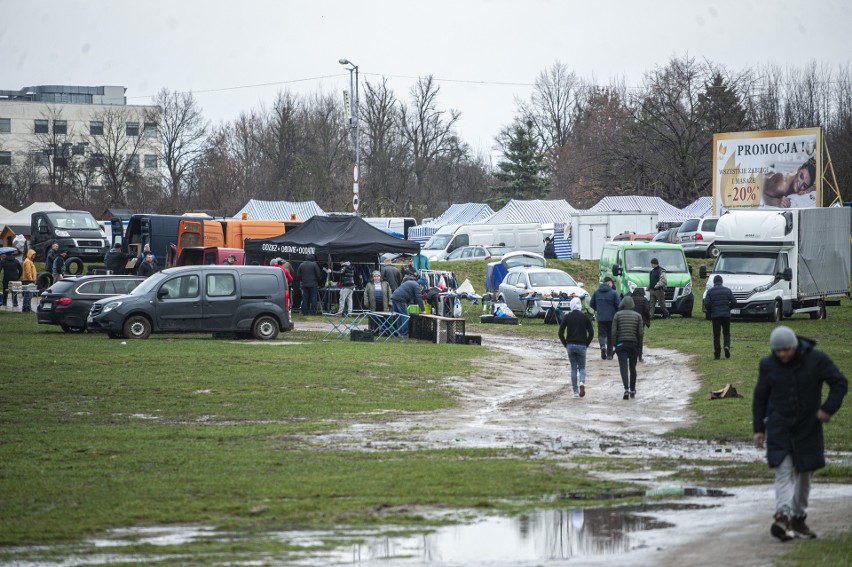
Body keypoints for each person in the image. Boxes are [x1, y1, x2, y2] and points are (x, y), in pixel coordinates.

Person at [753, 326, 847, 541]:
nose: (783, 354)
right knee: (783, 470)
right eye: (778, 351)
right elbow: (760, 397)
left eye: (786, 350)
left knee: (805, 473)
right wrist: (759, 429)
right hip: (779, 426)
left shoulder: (816, 359)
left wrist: (827, 409)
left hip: (808, 427)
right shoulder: (768, 365)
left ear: (795, 346)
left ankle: (798, 517)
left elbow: (840, 383)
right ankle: (782, 515)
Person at [558, 297, 595, 398]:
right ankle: (582, 382)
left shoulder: (568, 317)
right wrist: (586, 344)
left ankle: (575, 392)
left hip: (570, 345)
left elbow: (560, 332)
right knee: (582, 367)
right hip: (582, 345)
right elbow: (591, 333)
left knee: (573, 368)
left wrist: (565, 344)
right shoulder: (585, 317)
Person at [611, 295, 644, 400]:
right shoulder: (638, 316)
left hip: (621, 344)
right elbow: (640, 333)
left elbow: (613, 332)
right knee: (632, 368)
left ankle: (626, 389)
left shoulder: (617, 315)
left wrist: (614, 345)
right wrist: (640, 348)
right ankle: (633, 390)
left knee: (623, 367)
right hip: (633, 344)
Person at [703, 275, 736, 359]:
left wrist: (711, 310)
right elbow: (734, 302)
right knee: (726, 333)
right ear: (721, 282)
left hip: (715, 315)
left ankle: (717, 354)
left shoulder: (710, 291)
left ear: (714, 282)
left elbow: (706, 304)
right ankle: (727, 346)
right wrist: (728, 308)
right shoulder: (727, 290)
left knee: (716, 335)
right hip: (726, 315)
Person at [589, 276, 620, 360]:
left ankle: (602, 346)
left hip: (601, 318)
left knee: (601, 334)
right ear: (609, 283)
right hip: (611, 318)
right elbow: (618, 305)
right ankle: (609, 355)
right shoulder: (614, 293)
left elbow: (591, 304)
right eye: (612, 283)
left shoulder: (596, 292)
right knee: (610, 336)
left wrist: (598, 309)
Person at [629, 282, 652, 361]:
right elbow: (646, 311)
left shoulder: (630, 299)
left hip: (631, 322)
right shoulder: (644, 300)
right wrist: (648, 321)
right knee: (640, 338)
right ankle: (640, 356)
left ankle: (632, 354)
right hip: (641, 322)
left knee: (632, 338)